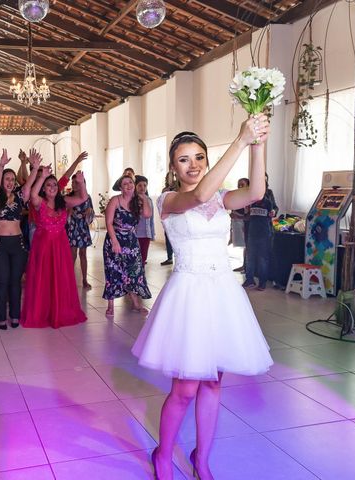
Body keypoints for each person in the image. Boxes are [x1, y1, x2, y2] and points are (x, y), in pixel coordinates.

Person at [132, 118, 274, 480]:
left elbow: (256, 192)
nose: (193, 165)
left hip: (223, 294)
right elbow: (197, 196)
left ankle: (202, 458)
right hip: (189, 297)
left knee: (213, 383)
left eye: (199, 157)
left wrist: (258, 142)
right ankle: (163, 455)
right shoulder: (168, 199)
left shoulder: (223, 197)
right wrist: (239, 140)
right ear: (172, 167)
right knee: (184, 389)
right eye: (184, 159)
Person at [22, 163, 88, 329]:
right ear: (44, 189)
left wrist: (81, 184)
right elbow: (32, 193)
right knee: (43, 280)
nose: (51, 187)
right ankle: (43, 312)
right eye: (48, 185)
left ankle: (60, 311)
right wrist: (42, 175)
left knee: (60, 279)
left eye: (53, 185)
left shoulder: (64, 202)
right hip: (43, 247)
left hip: (60, 246)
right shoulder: (39, 202)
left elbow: (82, 198)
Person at [0, 149, 37, 330]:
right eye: (7, 179)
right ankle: (1, 317)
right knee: (2, 281)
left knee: (15, 282)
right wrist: (1, 166)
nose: (9, 182)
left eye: (12, 179)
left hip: (18, 244)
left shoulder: (20, 197)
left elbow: (29, 184)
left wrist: (35, 168)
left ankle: (15, 315)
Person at [103, 175, 152, 316]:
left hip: (131, 241)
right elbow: (108, 223)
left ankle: (136, 303)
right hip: (114, 240)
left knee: (134, 272)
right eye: (125, 184)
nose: (129, 185)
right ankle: (111, 305)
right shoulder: (115, 200)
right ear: (121, 187)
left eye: (131, 182)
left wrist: (143, 198)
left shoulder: (138, 201)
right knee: (113, 271)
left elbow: (147, 214)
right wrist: (115, 241)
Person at [242, 174, 278, 291]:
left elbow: (275, 208)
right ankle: (249, 279)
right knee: (250, 257)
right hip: (252, 229)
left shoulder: (269, 193)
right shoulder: (250, 192)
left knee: (263, 258)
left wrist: (273, 211)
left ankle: (262, 282)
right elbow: (245, 211)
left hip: (265, 230)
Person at [66, 172, 94, 289]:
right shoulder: (68, 196)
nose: (73, 184)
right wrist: (69, 211)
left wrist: (89, 212)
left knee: (83, 254)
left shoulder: (87, 197)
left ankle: (84, 279)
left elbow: (92, 213)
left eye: (76, 182)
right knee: (72, 254)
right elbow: (62, 214)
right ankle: (69, 280)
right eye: (72, 182)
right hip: (72, 227)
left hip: (83, 227)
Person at [135, 175, 155, 265]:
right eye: (139, 185)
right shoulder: (132, 200)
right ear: (135, 186)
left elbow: (151, 219)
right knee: (135, 258)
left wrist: (152, 233)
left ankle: (141, 277)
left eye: (145, 185)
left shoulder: (149, 200)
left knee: (143, 258)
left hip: (146, 234)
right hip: (136, 234)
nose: (142, 188)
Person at [231, 178, 249, 273]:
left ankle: (246, 267)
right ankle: (244, 265)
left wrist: (238, 216)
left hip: (246, 225)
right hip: (238, 224)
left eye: (242, 185)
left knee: (247, 247)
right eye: (239, 185)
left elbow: (248, 215)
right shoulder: (237, 196)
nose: (240, 187)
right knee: (244, 247)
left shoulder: (249, 197)